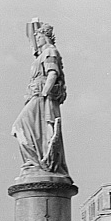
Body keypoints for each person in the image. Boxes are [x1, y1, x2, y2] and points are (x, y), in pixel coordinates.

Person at [12, 22, 69, 176]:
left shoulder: (50, 51)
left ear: (45, 37)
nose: (36, 42)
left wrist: (44, 94)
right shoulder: (42, 54)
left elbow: (52, 73)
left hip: (42, 97)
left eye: (39, 38)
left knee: (20, 126)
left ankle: (36, 162)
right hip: (35, 96)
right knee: (29, 129)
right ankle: (33, 163)